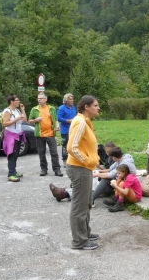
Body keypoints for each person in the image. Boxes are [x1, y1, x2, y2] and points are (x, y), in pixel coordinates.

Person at [66, 95, 100, 250]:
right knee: (79, 206)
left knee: (86, 203)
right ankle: (79, 241)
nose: (98, 108)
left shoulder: (84, 121)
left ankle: (85, 233)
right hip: (79, 169)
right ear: (86, 107)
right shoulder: (80, 122)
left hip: (84, 169)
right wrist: (87, 161)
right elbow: (72, 147)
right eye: (95, 105)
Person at [48, 141, 116, 203]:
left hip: (111, 184)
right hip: (107, 180)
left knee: (88, 190)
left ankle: (64, 193)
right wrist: (99, 169)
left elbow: (112, 174)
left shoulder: (116, 158)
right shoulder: (111, 157)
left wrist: (98, 174)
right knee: (89, 181)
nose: (108, 153)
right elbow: (109, 170)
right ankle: (64, 192)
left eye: (109, 151)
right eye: (107, 151)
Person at [28, 93, 63, 177]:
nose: (39, 100)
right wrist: (36, 120)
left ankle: (57, 169)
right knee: (41, 153)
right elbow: (29, 120)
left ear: (46, 99)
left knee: (54, 152)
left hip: (50, 134)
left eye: (41, 98)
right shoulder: (34, 109)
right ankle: (44, 169)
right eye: (38, 98)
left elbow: (55, 119)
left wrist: (57, 126)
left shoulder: (51, 108)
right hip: (39, 135)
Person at [2, 94, 27, 182]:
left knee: (16, 154)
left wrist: (22, 110)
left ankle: (14, 171)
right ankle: (11, 174)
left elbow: (24, 120)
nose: (18, 101)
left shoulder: (16, 110)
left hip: (18, 135)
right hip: (10, 135)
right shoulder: (7, 111)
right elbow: (5, 123)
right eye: (17, 100)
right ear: (11, 101)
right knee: (12, 154)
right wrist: (17, 118)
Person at [57, 93, 77, 167]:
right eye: (70, 99)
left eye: (72, 99)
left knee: (73, 145)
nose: (72, 101)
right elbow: (58, 118)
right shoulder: (61, 108)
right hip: (65, 130)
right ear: (66, 100)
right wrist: (68, 121)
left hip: (73, 129)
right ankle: (65, 160)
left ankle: (72, 159)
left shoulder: (73, 107)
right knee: (65, 145)